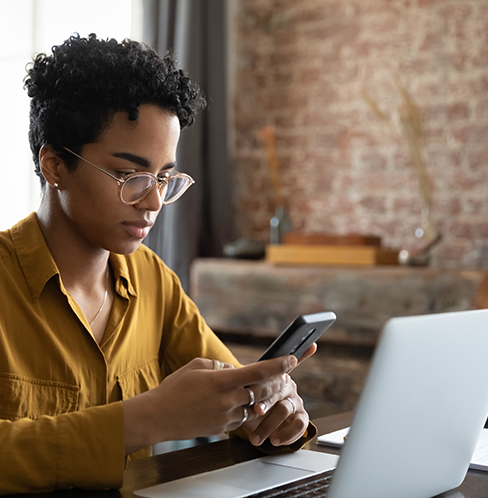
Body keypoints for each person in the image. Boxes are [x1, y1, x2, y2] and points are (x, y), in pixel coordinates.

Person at [0, 34, 316, 494]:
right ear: (54, 166)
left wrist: (271, 412)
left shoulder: (151, 281)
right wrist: (143, 420)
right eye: (130, 175)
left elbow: (231, 390)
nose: (153, 201)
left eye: (165, 177)